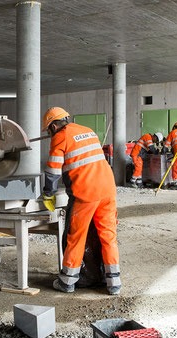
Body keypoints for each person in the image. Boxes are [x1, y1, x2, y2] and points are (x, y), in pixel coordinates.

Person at [42, 107, 121, 295]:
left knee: (76, 237)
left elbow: (53, 171)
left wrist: (48, 194)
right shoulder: (87, 130)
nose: (49, 133)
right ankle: (114, 283)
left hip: (86, 193)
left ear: (53, 126)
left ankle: (67, 281)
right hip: (108, 189)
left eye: (48, 130)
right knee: (108, 236)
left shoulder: (60, 137)